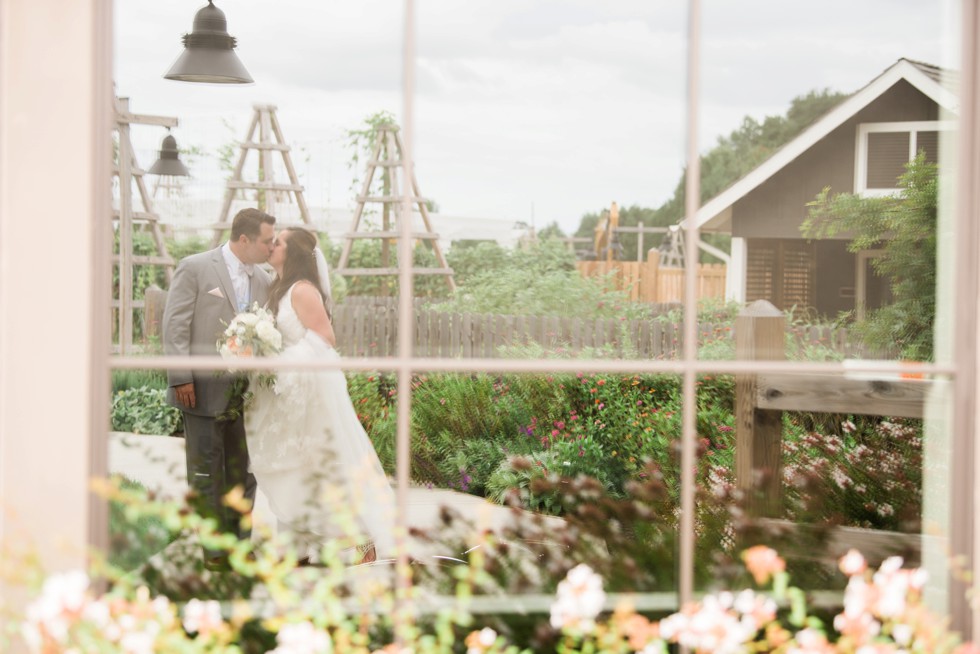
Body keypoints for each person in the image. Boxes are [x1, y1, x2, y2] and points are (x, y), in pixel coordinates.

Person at [244, 227, 394, 565]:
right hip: (287, 393)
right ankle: (299, 547)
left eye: (278, 242)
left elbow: (325, 337)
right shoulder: (278, 289)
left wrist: (279, 364)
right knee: (295, 468)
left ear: (292, 253)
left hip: (309, 392)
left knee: (321, 467)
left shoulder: (302, 290)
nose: (271, 245)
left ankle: (361, 542)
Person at [162, 208, 276, 570]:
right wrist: (181, 377)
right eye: (267, 241)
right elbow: (175, 324)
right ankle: (213, 550)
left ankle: (240, 544)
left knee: (244, 471)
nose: (271, 248)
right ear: (245, 239)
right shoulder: (195, 267)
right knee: (206, 471)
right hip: (201, 389)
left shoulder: (264, 278)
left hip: (246, 394)